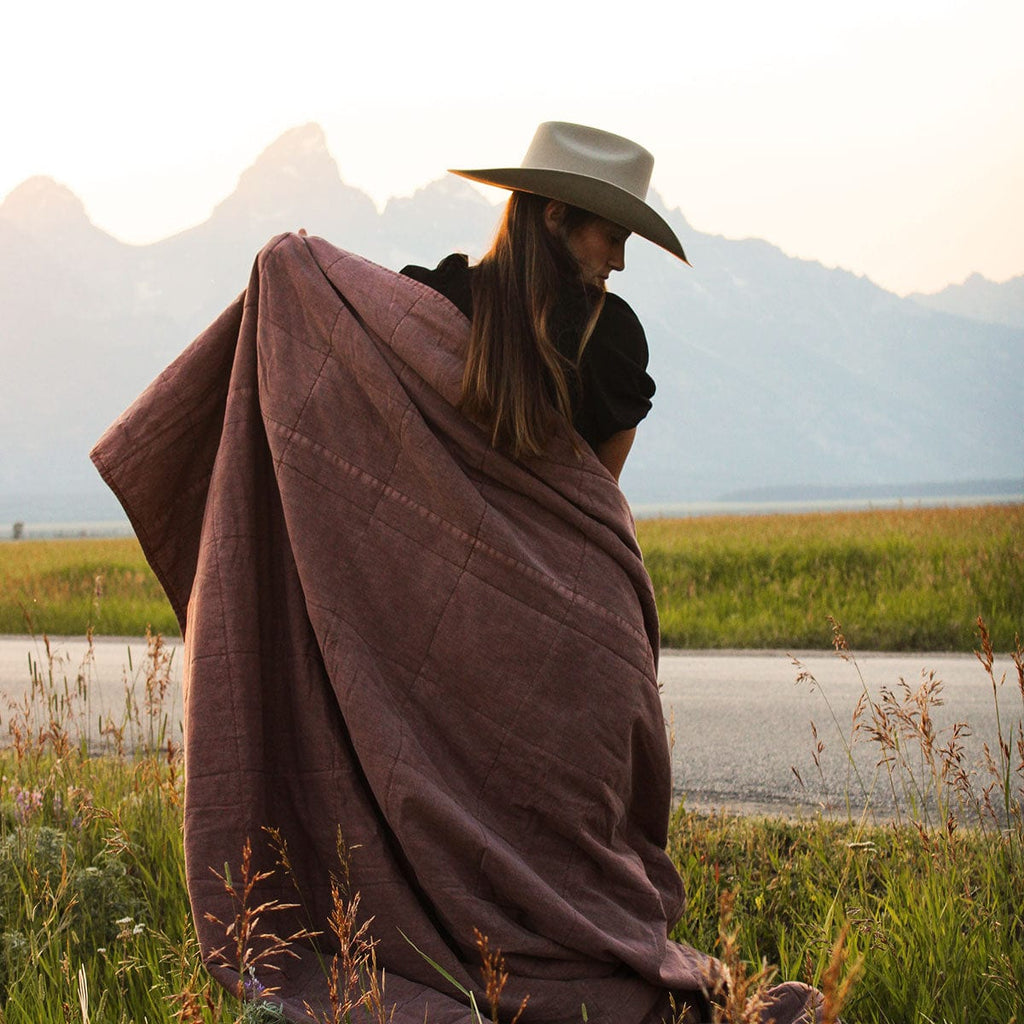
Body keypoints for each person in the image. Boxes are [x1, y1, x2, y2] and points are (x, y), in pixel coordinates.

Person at [400, 120, 686, 485]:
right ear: (555, 216)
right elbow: (597, 500)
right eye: (613, 238)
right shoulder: (611, 336)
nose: (620, 262)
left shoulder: (429, 298)